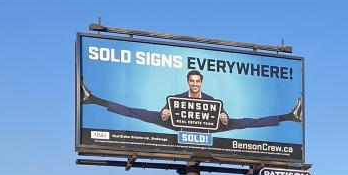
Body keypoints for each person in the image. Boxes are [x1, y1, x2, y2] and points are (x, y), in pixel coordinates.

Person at [81, 70, 302, 130]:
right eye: (192, 81)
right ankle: (92, 99)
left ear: (201, 83)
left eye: (198, 81)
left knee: (247, 122)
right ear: (188, 82)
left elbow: (222, 117)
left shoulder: (211, 100)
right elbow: (166, 110)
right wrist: (165, 113)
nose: (195, 84)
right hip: (176, 126)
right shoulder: (176, 99)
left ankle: (291, 116)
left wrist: (224, 118)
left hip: (208, 130)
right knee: (135, 111)